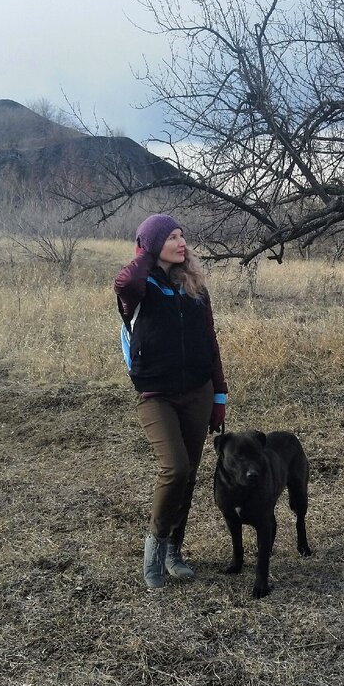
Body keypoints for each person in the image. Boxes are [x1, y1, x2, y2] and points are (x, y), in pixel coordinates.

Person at [114, 213, 228, 590]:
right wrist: (147, 252)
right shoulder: (140, 288)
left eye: (182, 236)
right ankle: (154, 552)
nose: (182, 243)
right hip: (155, 394)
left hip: (197, 390)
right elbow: (125, 280)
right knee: (175, 469)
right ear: (151, 246)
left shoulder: (194, 285)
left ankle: (174, 551)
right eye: (171, 238)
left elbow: (210, 341)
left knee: (190, 474)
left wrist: (219, 394)